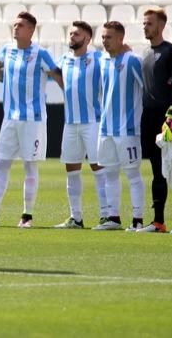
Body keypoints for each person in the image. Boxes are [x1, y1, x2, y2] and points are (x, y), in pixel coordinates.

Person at [0, 12, 61, 228]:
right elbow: (2, 74)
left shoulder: (41, 54)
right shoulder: (6, 50)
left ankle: (27, 216)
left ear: (31, 30)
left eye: (20, 25)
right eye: (15, 25)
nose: (16, 28)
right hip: (9, 118)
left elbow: (58, 77)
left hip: (33, 119)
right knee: (2, 163)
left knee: (30, 165)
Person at [51, 22, 109, 229]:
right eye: (71, 33)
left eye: (77, 34)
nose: (72, 37)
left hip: (92, 122)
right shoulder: (64, 59)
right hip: (70, 123)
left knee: (98, 168)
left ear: (87, 39)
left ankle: (107, 215)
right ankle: (76, 217)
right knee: (71, 169)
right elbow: (53, 71)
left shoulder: (98, 58)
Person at [140, 8, 172, 234]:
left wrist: (171, 114)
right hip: (149, 116)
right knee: (156, 170)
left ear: (160, 25)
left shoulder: (171, 52)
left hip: (168, 117)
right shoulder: (145, 54)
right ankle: (158, 221)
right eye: (144, 23)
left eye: (149, 23)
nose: (145, 26)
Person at [93, 21, 146, 232]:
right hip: (106, 129)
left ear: (121, 38)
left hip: (128, 130)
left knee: (132, 174)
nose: (105, 41)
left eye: (109, 37)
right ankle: (113, 218)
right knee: (110, 174)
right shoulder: (103, 60)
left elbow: (147, 89)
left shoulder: (133, 60)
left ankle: (138, 220)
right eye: (103, 37)